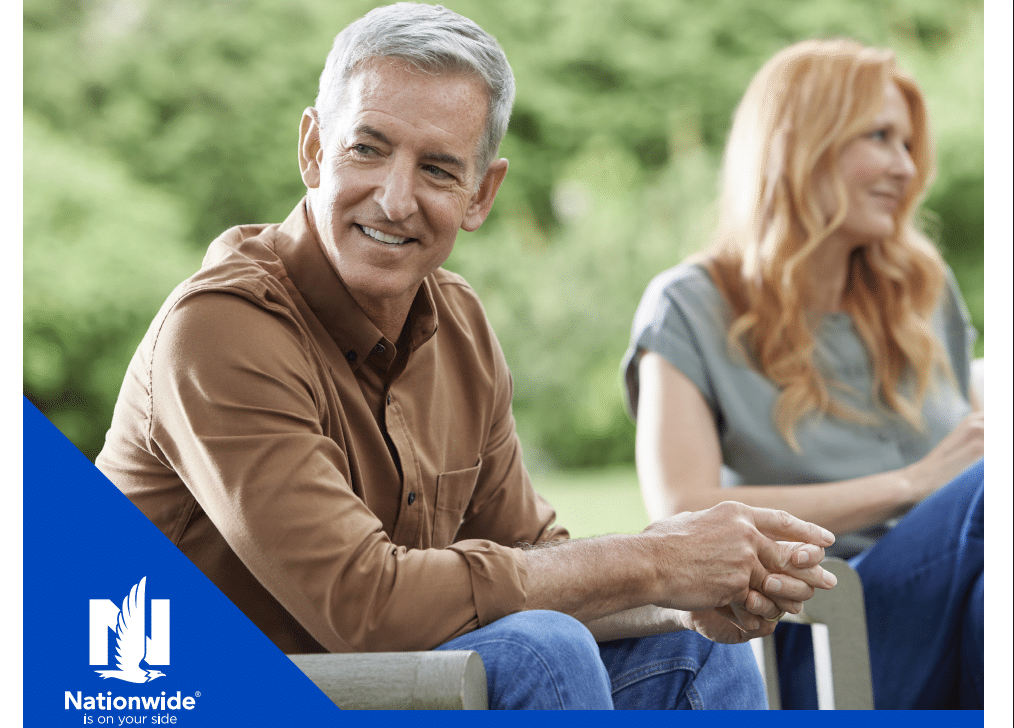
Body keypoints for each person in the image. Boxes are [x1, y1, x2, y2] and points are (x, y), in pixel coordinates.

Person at [95, 3, 838, 710]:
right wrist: (656, 562)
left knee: (693, 649)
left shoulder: (458, 326)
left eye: (438, 169)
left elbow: (533, 560)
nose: (395, 199)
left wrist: (681, 596)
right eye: (367, 149)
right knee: (538, 651)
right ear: (314, 149)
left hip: (370, 683)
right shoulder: (221, 331)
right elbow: (367, 606)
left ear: (481, 194)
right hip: (185, 694)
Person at [623, 38, 983, 709]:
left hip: (958, 601)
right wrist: (915, 484)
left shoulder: (922, 290)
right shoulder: (690, 304)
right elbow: (680, 511)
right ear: (799, 146)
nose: (906, 167)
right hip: (823, 626)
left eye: (909, 144)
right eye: (880, 136)